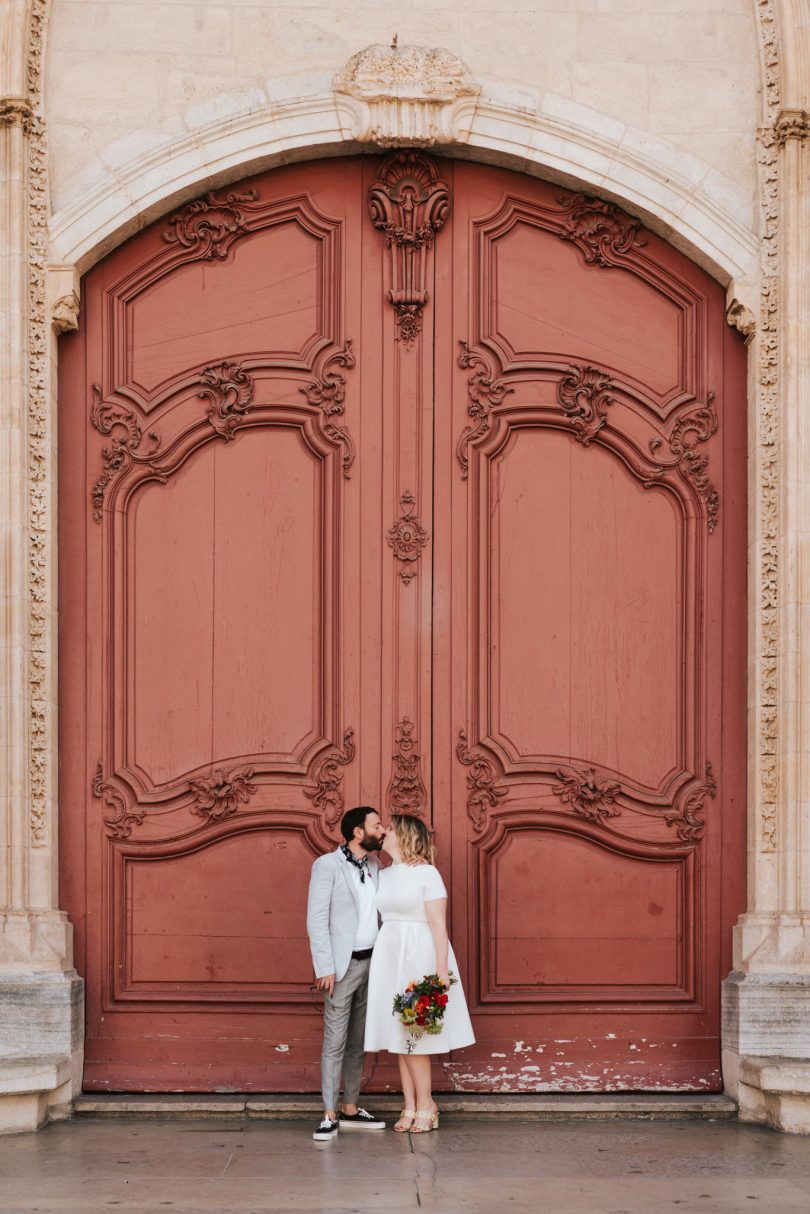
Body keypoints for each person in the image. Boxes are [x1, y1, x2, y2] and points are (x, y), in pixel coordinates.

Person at [364, 813, 475, 1133]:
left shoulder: (427, 874)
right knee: (398, 1034)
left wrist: (440, 970)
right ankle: (410, 1104)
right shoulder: (382, 873)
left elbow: (438, 924)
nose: (383, 831)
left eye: (390, 828)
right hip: (390, 952)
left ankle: (427, 1103)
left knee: (414, 1031)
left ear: (405, 836)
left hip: (419, 953)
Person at [306, 805, 388, 1142]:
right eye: (377, 825)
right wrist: (324, 965)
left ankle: (351, 1108)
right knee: (335, 1041)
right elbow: (316, 918)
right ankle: (329, 1112)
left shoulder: (375, 864)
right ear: (358, 831)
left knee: (359, 1041)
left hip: (374, 963)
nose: (382, 830)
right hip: (341, 967)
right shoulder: (327, 866)